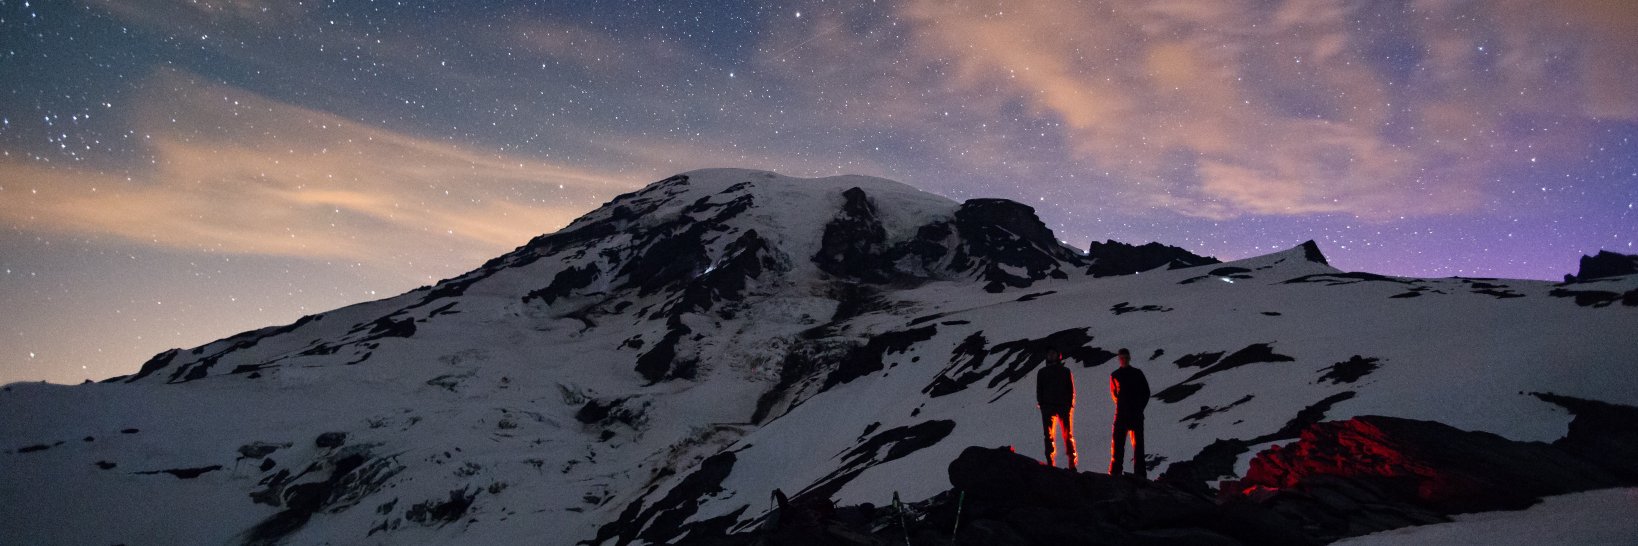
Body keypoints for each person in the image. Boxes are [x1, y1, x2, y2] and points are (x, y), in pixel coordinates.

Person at [1109, 348, 1150, 479]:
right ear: (1119, 359)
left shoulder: (1137, 373)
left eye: (1126, 358)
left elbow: (1146, 392)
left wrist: (1139, 408)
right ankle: (1116, 472)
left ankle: (1140, 474)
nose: (1124, 360)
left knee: (1138, 447)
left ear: (1129, 358)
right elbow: (1114, 394)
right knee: (1118, 446)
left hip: (1135, 415)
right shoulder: (1114, 375)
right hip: (1122, 415)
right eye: (1122, 358)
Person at [1035, 351, 1077, 470]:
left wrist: (1069, 404)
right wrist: (1042, 404)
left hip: (1061, 406)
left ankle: (1071, 462)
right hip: (1049, 406)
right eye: (1049, 354)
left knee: (1066, 434)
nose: (1051, 356)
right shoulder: (1042, 372)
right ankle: (1050, 461)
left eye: (1053, 354)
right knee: (1049, 435)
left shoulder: (1065, 371)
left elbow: (1070, 389)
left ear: (1058, 356)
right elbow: (1039, 389)